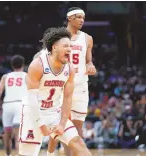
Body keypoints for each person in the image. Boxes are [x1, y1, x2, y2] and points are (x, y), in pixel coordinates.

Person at [19, 27, 92, 156]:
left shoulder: (69, 69)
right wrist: (40, 124)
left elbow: (68, 98)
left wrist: (63, 123)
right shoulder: (37, 65)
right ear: (54, 48)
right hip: (33, 112)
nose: (69, 49)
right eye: (65, 46)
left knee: (79, 144)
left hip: (54, 112)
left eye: (70, 46)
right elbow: (32, 99)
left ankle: (50, 153)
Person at [47, 7, 96, 156]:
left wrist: (90, 65)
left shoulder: (87, 38)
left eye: (83, 17)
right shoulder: (58, 37)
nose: (82, 20)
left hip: (80, 85)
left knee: (77, 126)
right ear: (69, 18)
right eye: (78, 17)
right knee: (62, 124)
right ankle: (50, 152)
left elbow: (88, 60)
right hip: (62, 84)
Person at [0, 55, 27, 156]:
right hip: (20, 105)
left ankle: (8, 155)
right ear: (23, 65)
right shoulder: (26, 76)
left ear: (12, 65)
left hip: (7, 106)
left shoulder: (5, 76)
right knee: (18, 136)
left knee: (7, 135)